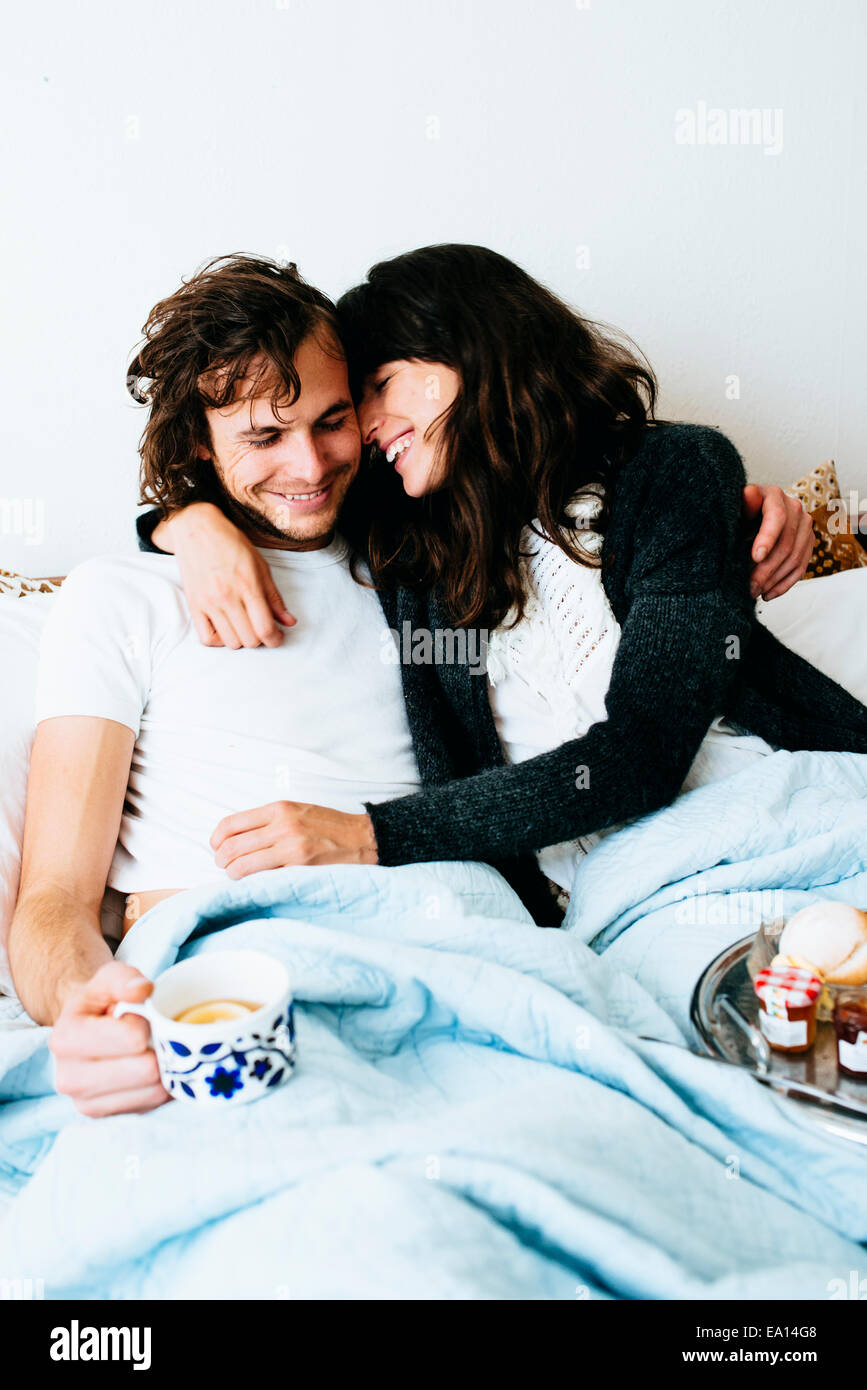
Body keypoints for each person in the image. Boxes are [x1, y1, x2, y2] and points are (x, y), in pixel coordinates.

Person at [139, 247, 866, 909]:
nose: (360, 426)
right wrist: (185, 525)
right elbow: (271, 487)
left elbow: (643, 754)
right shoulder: (404, 541)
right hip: (634, 898)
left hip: (787, 813)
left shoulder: (672, 474)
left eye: (382, 383)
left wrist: (371, 836)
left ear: (471, 352)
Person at [9, 259, 417, 1116]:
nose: (309, 464)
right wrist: (89, 1012)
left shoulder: (430, 564)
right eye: (265, 437)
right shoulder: (123, 595)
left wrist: (749, 514)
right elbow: (54, 900)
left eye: (332, 421)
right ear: (198, 439)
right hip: (223, 977)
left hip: (429, 944)